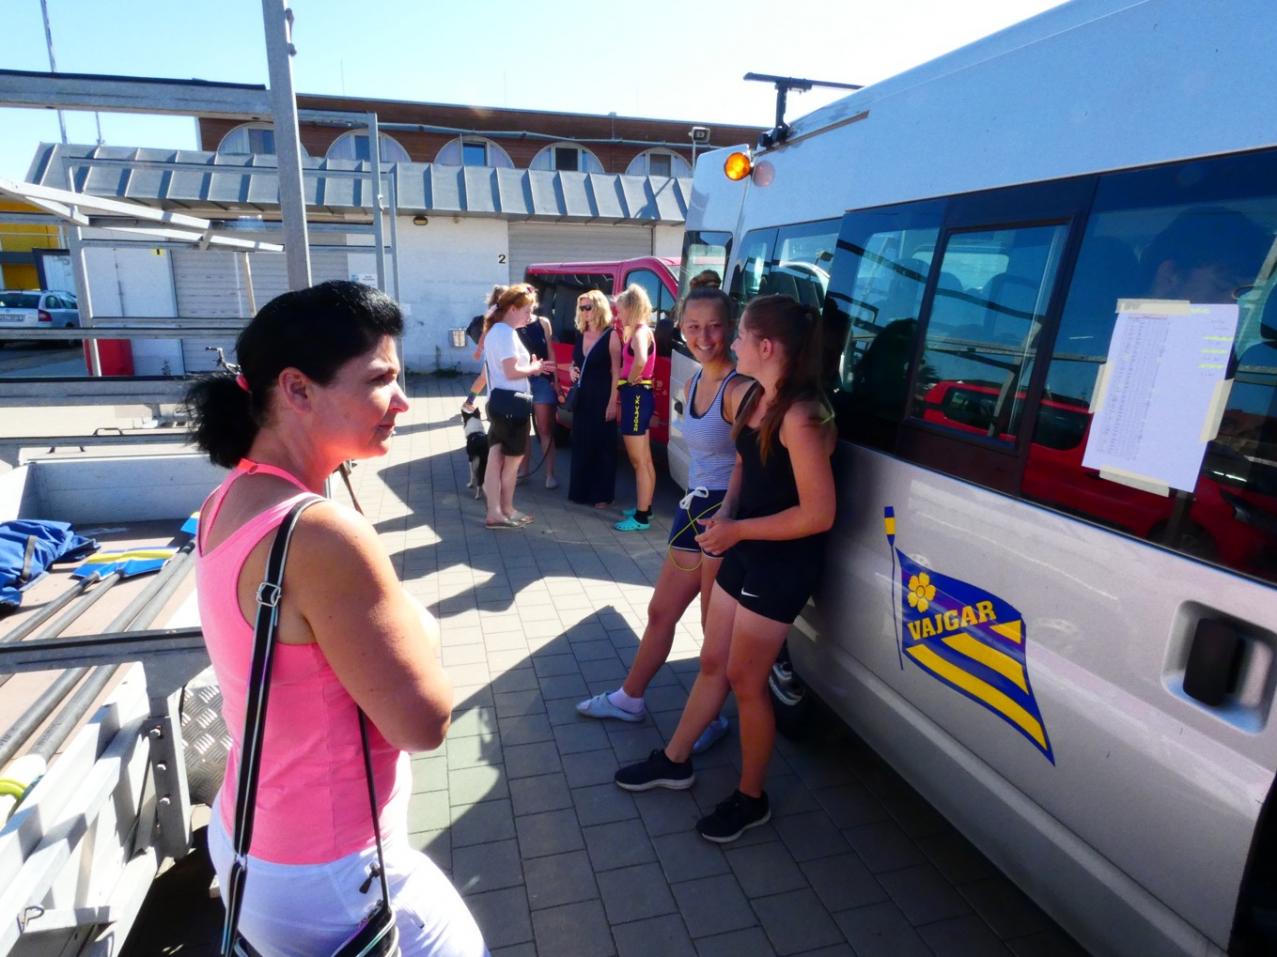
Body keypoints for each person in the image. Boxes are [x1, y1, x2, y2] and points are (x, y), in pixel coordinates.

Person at [185, 280, 487, 955]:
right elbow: (423, 723)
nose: (403, 402)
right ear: (296, 389)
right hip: (333, 873)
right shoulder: (322, 534)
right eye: (380, 379)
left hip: (249, 837)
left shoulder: (228, 498)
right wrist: (420, 625)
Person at [612, 294, 837, 844]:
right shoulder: (757, 395)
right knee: (713, 660)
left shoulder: (803, 415)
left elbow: (818, 514)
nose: (731, 343)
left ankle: (751, 797)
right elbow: (741, 465)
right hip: (743, 544)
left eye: (739, 335)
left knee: (745, 680)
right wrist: (728, 517)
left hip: (781, 563)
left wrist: (738, 530)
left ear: (767, 347)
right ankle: (675, 759)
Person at [576, 288, 749, 753]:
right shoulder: (693, 382)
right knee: (660, 612)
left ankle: (710, 718)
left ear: (730, 327)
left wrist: (728, 515)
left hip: (722, 516)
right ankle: (629, 698)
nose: (703, 336)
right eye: (693, 327)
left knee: (713, 633)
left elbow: (747, 462)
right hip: (694, 509)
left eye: (714, 326)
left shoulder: (739, 388)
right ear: (680, 328)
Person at [482, 283, 543, 529]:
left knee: (495, 458)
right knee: (512, 461)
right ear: (512, 309)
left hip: (498, 402)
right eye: (527, 311)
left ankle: (494, 511)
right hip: (512, 405)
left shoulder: (494, 331)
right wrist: (534, 368)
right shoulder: (506, 333)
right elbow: (511, 371)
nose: (530, 316)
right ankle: (506, 509)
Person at [567, 289, 622, 508]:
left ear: (599, 308)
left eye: (588, 307)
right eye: (581, 308)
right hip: (583, 398)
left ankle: (602, 495)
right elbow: (575, 362)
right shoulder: (581, 333)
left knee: (603, 447)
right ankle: (581, 492)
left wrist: (612, 403)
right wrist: (571, 370)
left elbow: (616, 372)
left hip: (602, 397)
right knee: (581, 444)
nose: (584, 312)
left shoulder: (611, 335)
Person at [613, 284, 658, 531]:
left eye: (621, 310)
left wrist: (629, 381)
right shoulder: (644, 331)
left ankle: (641, 518)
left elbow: (640, 360)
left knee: (638, 460)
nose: (619, 315)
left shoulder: (640, 332)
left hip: (637, 396)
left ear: (631, 307)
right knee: (646, 459)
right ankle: (645, 507)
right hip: (641, 395)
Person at [515, 306, 560, 489]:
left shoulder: (543, 322)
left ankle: (550, 475)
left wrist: (556, 380)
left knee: (544, 428)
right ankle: (523, 470)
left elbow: (550, 352)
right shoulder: (510, 323)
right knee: (523, 428)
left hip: (542, 379)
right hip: (520, 380)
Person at [460, 285, 506, 415]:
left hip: (500, 350)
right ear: (498, 296)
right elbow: (485, 332)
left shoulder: (505, 309)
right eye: (505, 294)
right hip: (494, 351)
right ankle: (471, 403)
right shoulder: (494, 311)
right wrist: (479, 350)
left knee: (485, 378)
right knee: (485, 378)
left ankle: (469, 403)